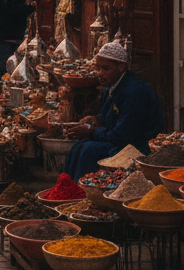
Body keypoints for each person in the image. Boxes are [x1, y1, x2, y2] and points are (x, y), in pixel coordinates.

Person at [63, 42, 164, 179]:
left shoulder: (135, 92)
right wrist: (94, 120)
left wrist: (90, 132)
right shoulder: (110, 89)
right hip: (119, 141)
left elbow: (121, 136)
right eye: (98, 68)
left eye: (106, 68)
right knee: (79, 146)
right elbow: (108, 122)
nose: (100, 73)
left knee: (89, 149)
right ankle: (71, 189)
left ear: (121, 67)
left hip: (138, 147)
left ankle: (86, 193)